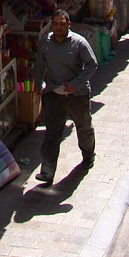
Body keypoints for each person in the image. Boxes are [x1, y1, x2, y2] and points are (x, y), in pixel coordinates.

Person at [34, 10, 97, 184]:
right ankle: (47, 170)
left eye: (62, 24)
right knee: (52, 133)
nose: (59, 27)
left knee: (83, 128)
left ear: (68, 24)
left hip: (78, 95)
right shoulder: (45, 42)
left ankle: (88, 156)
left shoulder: (79, 43)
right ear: (51, 25)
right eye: (55, 24)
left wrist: (75, 83)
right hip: (54, 95)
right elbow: (40, 65)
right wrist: (38, 85)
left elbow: (92, 65)